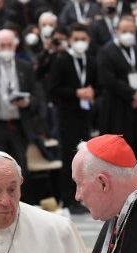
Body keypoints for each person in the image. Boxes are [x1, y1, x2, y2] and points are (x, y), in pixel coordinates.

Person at [98, 16, 137, 184]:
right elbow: (108, 79)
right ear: (117, 31)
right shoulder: (107, 51)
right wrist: (132, 94)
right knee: (122, 147)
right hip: (119, 105)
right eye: (124, 31)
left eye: (131, 31)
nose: (128, 34)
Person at [49, 23, 97, 214]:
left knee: (86, 158)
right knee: (69, 157)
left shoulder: (91, 61)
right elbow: (53, 89)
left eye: (83, 39)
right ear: (69, 40)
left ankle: (84, 197)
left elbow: (99, 86)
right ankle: (69, 199)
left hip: (85, 116)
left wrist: (92, 93)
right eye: (76, 39)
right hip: (67, 116)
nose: (80, 43)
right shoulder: (62, 61)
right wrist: (75, 93)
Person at [0, 29, 38, 173]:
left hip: (18, 124)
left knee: (20, 167)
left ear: (15, 45)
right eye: (2, 45)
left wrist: (27, 102)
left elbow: (36, 96)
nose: (6, 48)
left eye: (9, 45)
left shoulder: (25, 66)